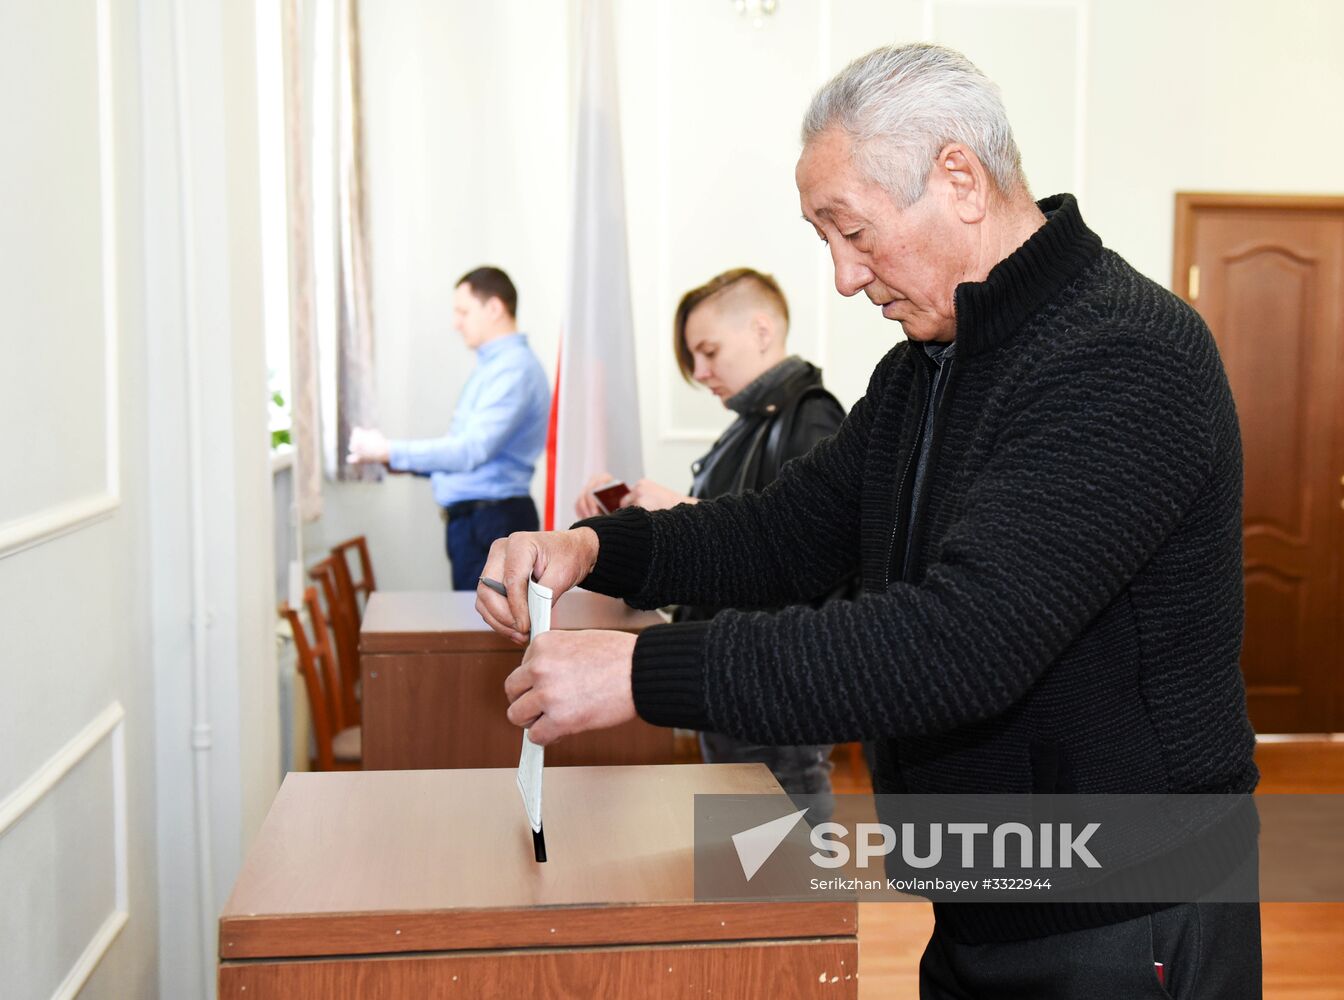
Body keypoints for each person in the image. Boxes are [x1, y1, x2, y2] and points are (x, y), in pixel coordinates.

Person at [477, 43, 1260, 999]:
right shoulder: (924, 366)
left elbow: (959, 643)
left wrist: (644, 672)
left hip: (1127, 913)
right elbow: (779, 533)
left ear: (959, 180)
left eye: (854, 232)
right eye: (826, 241)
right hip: (990, 895)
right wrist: (594, 549)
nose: (846, 279)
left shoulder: (1125, 356)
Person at [575, 268, 847, 817]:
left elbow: (809, 551)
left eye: (709, 351)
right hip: (735, 673)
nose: (700, 373)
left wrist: (680, 510)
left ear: (762, 331)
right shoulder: (750, 422)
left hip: (773, 683)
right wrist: (638, 513)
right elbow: (727, 539)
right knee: (748, 870)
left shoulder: (811, 416)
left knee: (785, 876)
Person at [348, 266, 548, 590]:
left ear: (494, 308)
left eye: (463, 311)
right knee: (475, 630)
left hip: (492, 523)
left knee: (484, 636)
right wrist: (400, 462)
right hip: (482, 521)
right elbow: (469, 450)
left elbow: (471, 451)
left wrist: (391, 450)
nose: (456, 322)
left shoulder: (514, 370)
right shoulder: (495, 367)